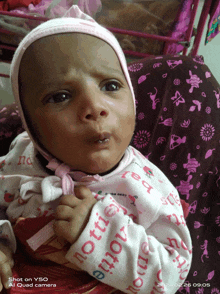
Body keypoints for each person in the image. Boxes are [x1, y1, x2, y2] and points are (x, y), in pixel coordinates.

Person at [0, 6, 192, 293]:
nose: (94, 107)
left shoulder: (148, 188)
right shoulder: (20, 156)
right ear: (29, 123)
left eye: (111, 85)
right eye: (61, 96)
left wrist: (97, 234)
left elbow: (172, 275)